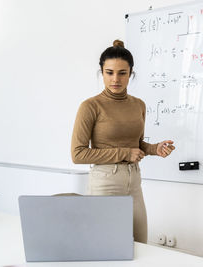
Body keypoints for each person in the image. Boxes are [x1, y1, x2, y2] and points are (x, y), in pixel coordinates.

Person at [71, 39, 175, 243]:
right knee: (105, 247)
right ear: (102, 72)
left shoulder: (139, 105)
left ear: (131, 73)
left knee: (141, 245)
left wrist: (155, 148)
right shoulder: (90, 106)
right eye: (109, 72)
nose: (115, 79)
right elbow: (78, 154)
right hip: (105, 183)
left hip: (134, 181)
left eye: (122, 73)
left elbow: (137, 144)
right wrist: (125, 153)